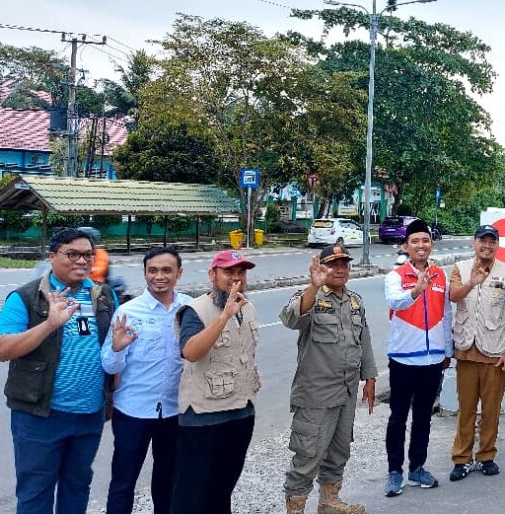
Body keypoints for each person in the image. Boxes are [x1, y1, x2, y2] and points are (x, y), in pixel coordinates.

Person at [0, 228, 118, 514]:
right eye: (71, 254)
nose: (81, 261)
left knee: (77, 488)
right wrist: (50, 324)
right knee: (35, 492)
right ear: (52, 257)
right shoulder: (25, 297)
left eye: (88, 254)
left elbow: (112, 350)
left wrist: (111, 397)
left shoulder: (103, 296)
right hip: (40, 416)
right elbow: (3, 350)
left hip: (89, 415)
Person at [280, 244, 377, 514]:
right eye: (333, 264)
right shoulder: (311, 296)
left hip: (345, 391)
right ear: (321, 268)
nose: (340, 269)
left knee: (339, 450)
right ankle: (295, 508)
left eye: (344, 264)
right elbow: (291, 319)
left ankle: (329, 502)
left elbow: (363, 340)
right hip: (315, 394)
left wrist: (369, 376)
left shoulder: (355, 301)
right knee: (308, 454)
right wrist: (314, 286)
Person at [171, 250, 261, 514]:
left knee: (223, 488)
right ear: (213, 275)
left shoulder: (248, 307)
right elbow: (190, 352)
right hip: (203, 416)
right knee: (191, 493)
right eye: (229, 272)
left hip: (241, 411)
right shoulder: (195, 310)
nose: (236, 279)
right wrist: (223, 317)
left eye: (241, 272)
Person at [101, 247, 190, 514]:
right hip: (132, 412)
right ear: (145, 273)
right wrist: (117, 348)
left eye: (166, 270)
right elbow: (108, 364)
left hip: (175, 412)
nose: (159, 276)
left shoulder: (190, 308)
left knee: (167, 481)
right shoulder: (128, 312)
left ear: (179, 273)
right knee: (123, 482)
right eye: (152, 270)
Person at [383, 219, 452, 497]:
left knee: (423, 417)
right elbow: (395, 302)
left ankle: (417, 468)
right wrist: (415, 290)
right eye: (415, 241)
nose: (421, 246)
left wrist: (447, 351)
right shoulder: (395, 276)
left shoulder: (441, 275)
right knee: (398, 418)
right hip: (403, 360)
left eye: (425, 241)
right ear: (406, 246)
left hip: (433, 360)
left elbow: (446, 316)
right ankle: (394, 472)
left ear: (431, 244)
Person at [447, 225, 505, 482]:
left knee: (491, 409)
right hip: (466, 350)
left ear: (497, 245)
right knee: (466, 409)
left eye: (492, 242)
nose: (487, 246)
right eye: (482, 241)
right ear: (474, 242)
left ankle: (486, 456)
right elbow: (453, 296)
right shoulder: (460, 268)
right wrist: (472, 282)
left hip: (495, 352)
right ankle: (462, 459)